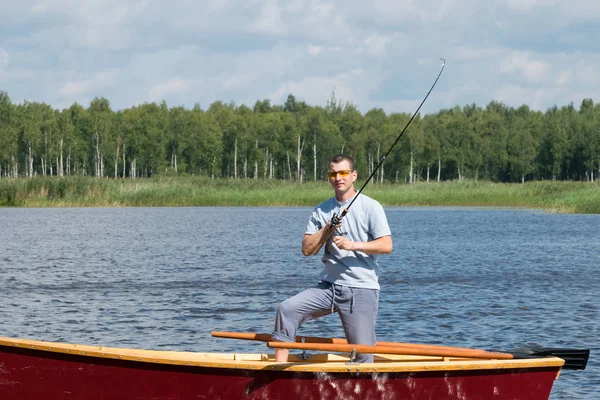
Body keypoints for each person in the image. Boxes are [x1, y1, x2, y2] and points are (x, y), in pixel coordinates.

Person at [272, 154, 392, 363]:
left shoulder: (371, 206)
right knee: (287, 309)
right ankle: (278, 369)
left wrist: (353, 245)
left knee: (362, 355)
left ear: (353, 176)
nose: (338, 178)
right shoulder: (321, 210)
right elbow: (307, 249)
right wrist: (327, 228)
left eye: (343, 173)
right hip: (328, 287)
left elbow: (386, 245)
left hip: (360, 289)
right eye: (333, 173)